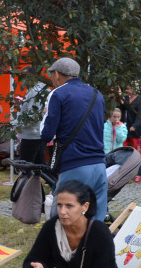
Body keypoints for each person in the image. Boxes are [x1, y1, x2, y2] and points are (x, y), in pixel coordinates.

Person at [39, 58, 107, 221]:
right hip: (99, 165)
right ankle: (92, 246)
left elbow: (46, 134)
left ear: (56, 74)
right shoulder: (96, 94)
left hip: (74, 163)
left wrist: (44, 116)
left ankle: (60, 247)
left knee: (62, 219)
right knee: (96, 221)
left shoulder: (58, 94)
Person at [15, 77, 49, 165]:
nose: (22, 81)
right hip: (38, 133)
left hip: (31, 135)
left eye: (23, 77)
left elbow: (33, 116)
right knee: (39, 166)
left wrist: (18, 125)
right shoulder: (43, 90)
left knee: (26, 167)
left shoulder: (35, 91)